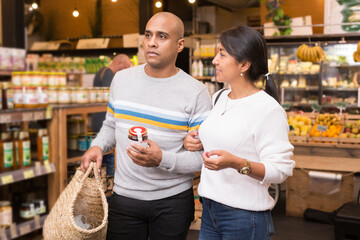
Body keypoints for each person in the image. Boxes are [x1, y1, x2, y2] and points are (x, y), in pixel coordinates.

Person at [81, 12, 212, 240]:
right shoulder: (121, 80)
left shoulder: (196, 92)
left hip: (173, 202)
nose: (152, 42)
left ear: (180, 44)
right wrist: (98, 146)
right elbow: (111, 125)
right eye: (148, 35)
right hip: (124, 199)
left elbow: (204, 158)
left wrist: (162, 159)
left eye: (162, 36)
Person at [184, 26, 295, 240]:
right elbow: (226, 136)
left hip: (244, 218)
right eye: (217, 53)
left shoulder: (268, 109)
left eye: (222, 54)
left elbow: (280, 170)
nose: (215, 60)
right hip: (209, 211)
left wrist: (236, 163)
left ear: (244, 64)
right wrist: (196, 140)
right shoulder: (219, 97)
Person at [91, 54, 132, 178]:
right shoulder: (109, 74)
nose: (125, 71)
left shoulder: (101, 71)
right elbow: (113, 94)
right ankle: (107, 186)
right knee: (108, 158)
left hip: (97, 118)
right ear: (119, 63)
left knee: (103, 155)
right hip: (105, 120)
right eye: (125, 67)